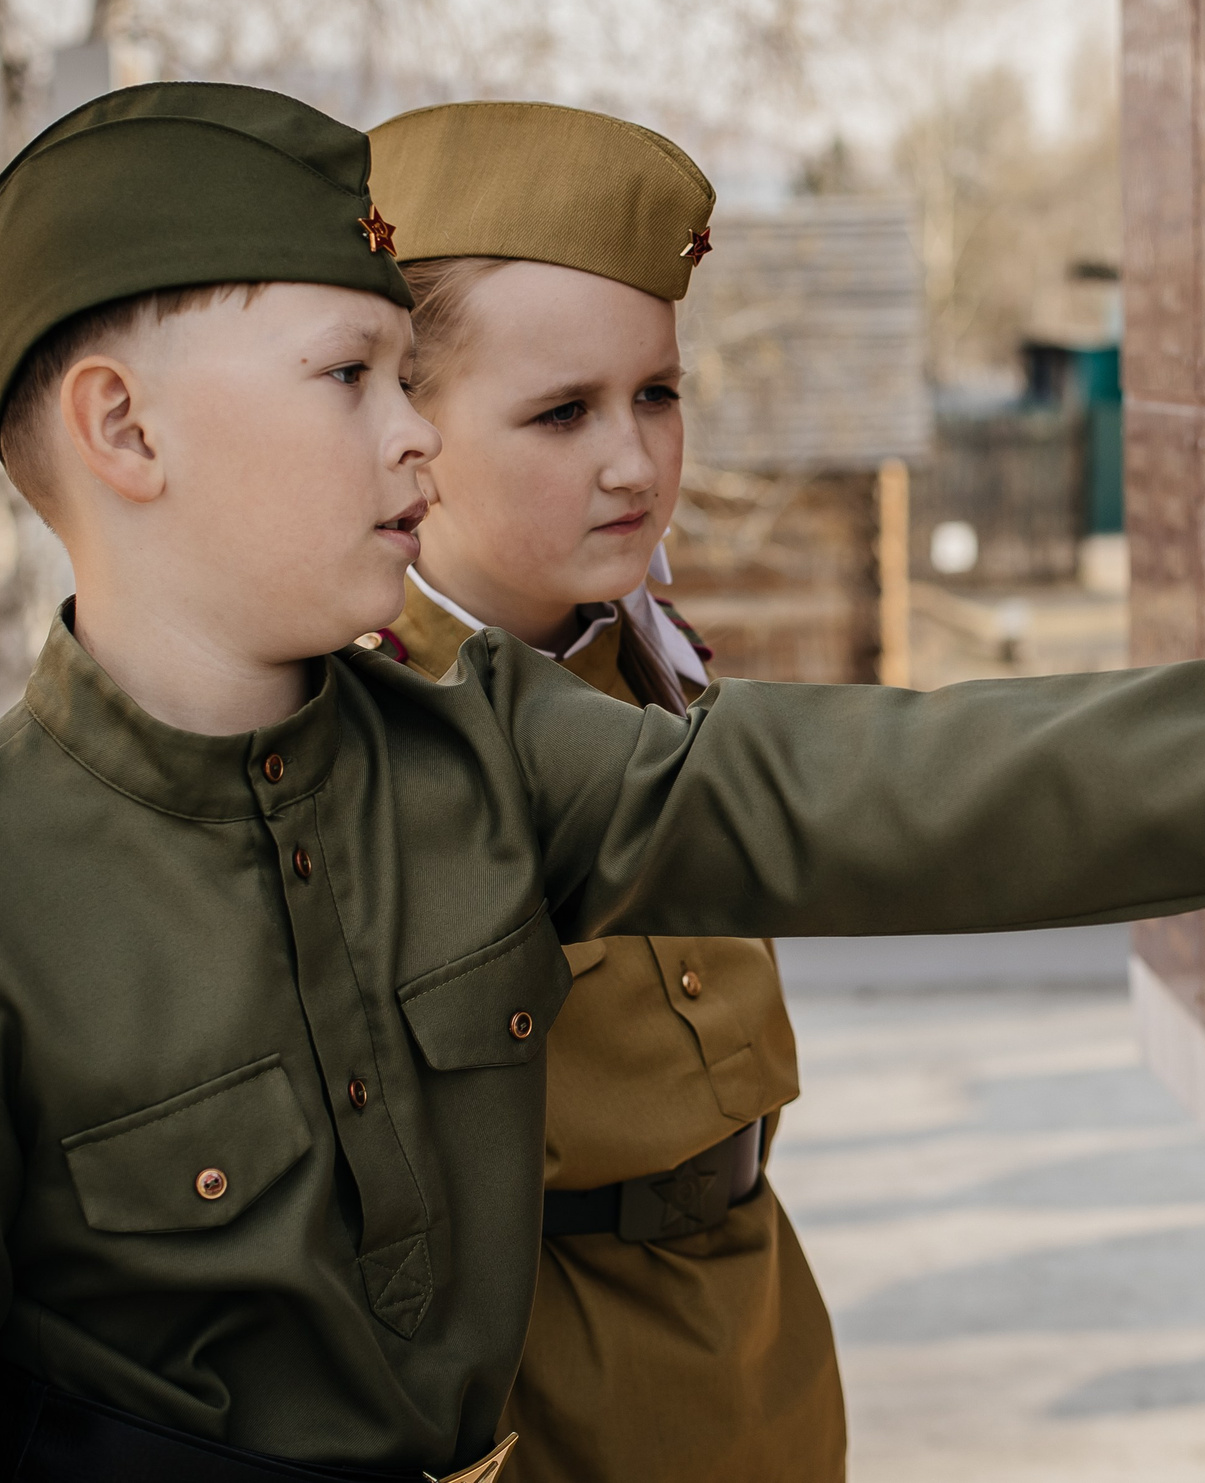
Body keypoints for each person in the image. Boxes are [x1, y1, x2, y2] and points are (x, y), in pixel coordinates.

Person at [0, 81, 1205, 1483]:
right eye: (357, 379)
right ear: (121, 425)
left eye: (418, 377)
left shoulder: (478, 754)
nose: (418, 440)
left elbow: (911, 784)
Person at [365, 100, 841, 1482]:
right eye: (561, 412)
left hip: (751, 1328)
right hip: (534, 1385)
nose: (633, 461)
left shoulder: (645, 649)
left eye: (657, 394)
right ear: (407, 425)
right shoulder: (368, 715)